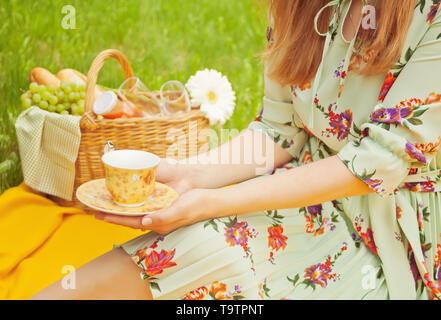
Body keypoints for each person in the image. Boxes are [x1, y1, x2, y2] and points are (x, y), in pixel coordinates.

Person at [31, 0, 441, 300]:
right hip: (306, 195)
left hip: (389, 234)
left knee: (212, 239)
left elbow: (374, 164)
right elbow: (279, 130)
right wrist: (188, 175)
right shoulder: (300, 5)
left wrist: (213, 203)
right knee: (192, 240)